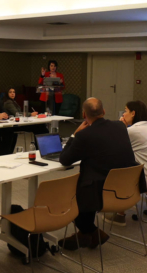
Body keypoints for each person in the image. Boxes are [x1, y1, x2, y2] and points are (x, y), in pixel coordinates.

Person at [58, 97, 136, 250]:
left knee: (75, 193)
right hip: (127, 188)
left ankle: (91, 232)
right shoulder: (120, 126)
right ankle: (86, 235)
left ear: (84, 115)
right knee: (90, 180)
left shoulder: (84, 135)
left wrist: (74, 134)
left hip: (100, 193)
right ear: (104, 112)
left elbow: (65, 159)